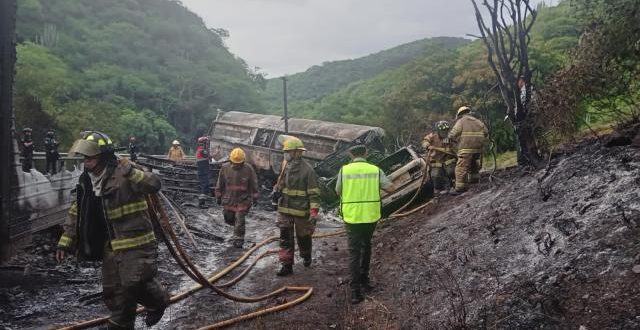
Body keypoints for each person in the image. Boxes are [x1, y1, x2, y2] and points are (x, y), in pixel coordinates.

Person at [55, 131, 169, 330]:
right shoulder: (87, 179)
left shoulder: (124, 171)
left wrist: (132, 173)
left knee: (134, 282)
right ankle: (119, 326)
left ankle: (158, 302)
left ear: (104, 156)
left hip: (137, 240)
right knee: (114, 291)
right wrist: (66, 240)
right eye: (85, 157)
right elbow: (78, 210)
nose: (86, 161)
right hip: (110, 244)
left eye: (90, 157)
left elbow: (154, 184)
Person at [335, 145, 393, 304]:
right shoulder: (375, 170)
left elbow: (337, 192)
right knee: (366, 246)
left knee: (354, 252)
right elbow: (391, 188)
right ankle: (365, 281)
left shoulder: (344, 170)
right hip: (370, 215)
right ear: (366, 153)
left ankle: (355, 292)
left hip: (352, 216)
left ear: (350, 154)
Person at [273, 135, 320, 276]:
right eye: (285, 151)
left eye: (288, 151)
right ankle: (286, 265)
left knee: (304, 237)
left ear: (297, 152)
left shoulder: (308, 170)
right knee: (285, 238)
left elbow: (314, 193)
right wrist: (276, 190)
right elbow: (280, 182)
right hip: (284, 208)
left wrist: (313, 212)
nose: (285, 154)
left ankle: (306, 256)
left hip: (301, 211)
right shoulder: (285, 165)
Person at [215, 147, 259, 248]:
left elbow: (254, 183)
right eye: (235, 162)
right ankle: (236, 230)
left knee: (240, 219)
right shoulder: (225, 168)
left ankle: (238, 239)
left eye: (239, 163)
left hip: (243, 199)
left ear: (243, 161)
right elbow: (220, 183)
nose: (237, 165)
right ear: (231, 160)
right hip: (228, 199)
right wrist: (218, 196)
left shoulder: (248, 169)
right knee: (229, 218)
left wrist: (255, 197)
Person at [448, 106, 488, 194]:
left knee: (461, 167)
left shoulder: (461, 121)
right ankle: (474, 180)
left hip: (466, 148)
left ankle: (460, 187)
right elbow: (486, 132)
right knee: (473, 163)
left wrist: (450, 139)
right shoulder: (478, 121)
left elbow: (452, 134)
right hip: (478, 148)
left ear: (460, 114)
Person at [421, 120, 457, 194]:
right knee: (436, 175)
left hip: (447, 159)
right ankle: (441, 188)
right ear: (438, 131)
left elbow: (456, 144)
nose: (445, 133)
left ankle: (454, 184)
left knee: (451, 171)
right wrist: (427, 146)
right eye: (443, 131)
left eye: (446, 131)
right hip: (436, 161)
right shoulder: (432, 136)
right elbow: (424, 141)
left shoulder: (449, 137)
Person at [196, 136, 211, 208]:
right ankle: (201, 204)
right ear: (204, 143)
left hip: (202, 171)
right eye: (206, 143)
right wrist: (217, 152)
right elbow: (209, 156)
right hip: (203, 171)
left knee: (204, 186)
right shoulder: (202, 150)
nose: (207, 144)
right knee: (205, 186)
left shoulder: (199, 150)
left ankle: (202, 203)